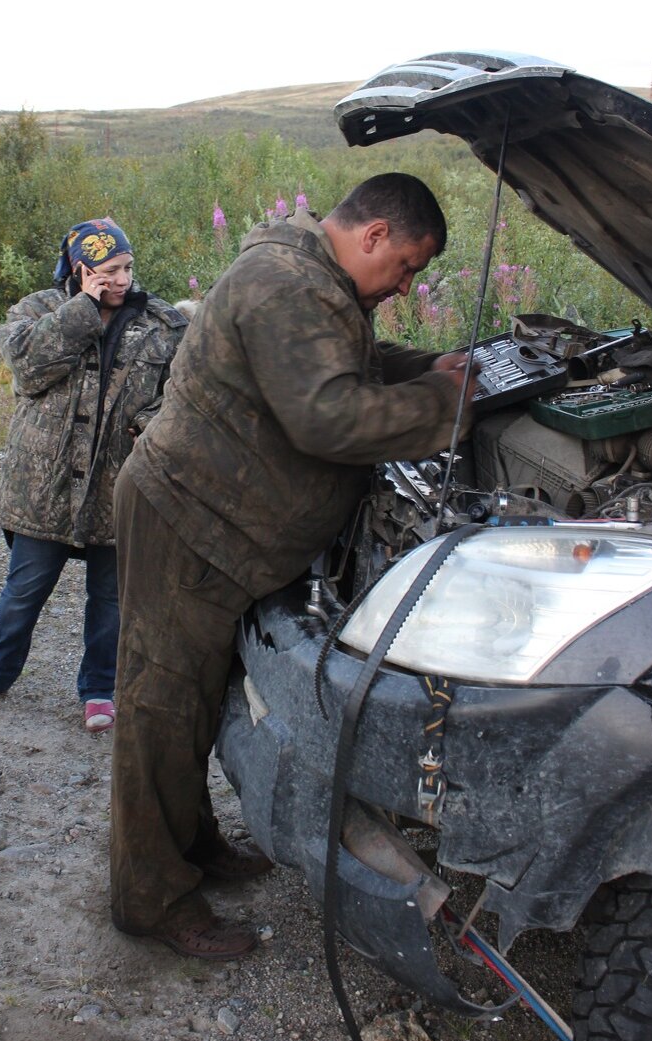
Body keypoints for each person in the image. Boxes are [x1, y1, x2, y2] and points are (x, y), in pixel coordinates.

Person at [109, 174, 477, 958]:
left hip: (219, 528)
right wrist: (444, 405)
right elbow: (326, 413)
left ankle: (191, 844)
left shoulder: (315, 282)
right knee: (160, 711)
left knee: (196, 703)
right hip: (189, 522)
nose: (407, 286)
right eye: (407, 266)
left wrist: (433, 367)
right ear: (373, 233)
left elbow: (350, 363)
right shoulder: (283, 284)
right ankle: (150, 897)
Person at [0, 218, 187, 732]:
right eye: (109, 270)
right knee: (23, 590)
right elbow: (29, 369)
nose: (122, 280)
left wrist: (147, 424)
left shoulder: (164, 325)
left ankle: (99, 690)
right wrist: (84, 309)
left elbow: (179, 394)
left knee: (112, 597)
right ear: (80, 270)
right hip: (43, 489)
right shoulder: (35, 311)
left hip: (119, 486)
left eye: (127, 268)